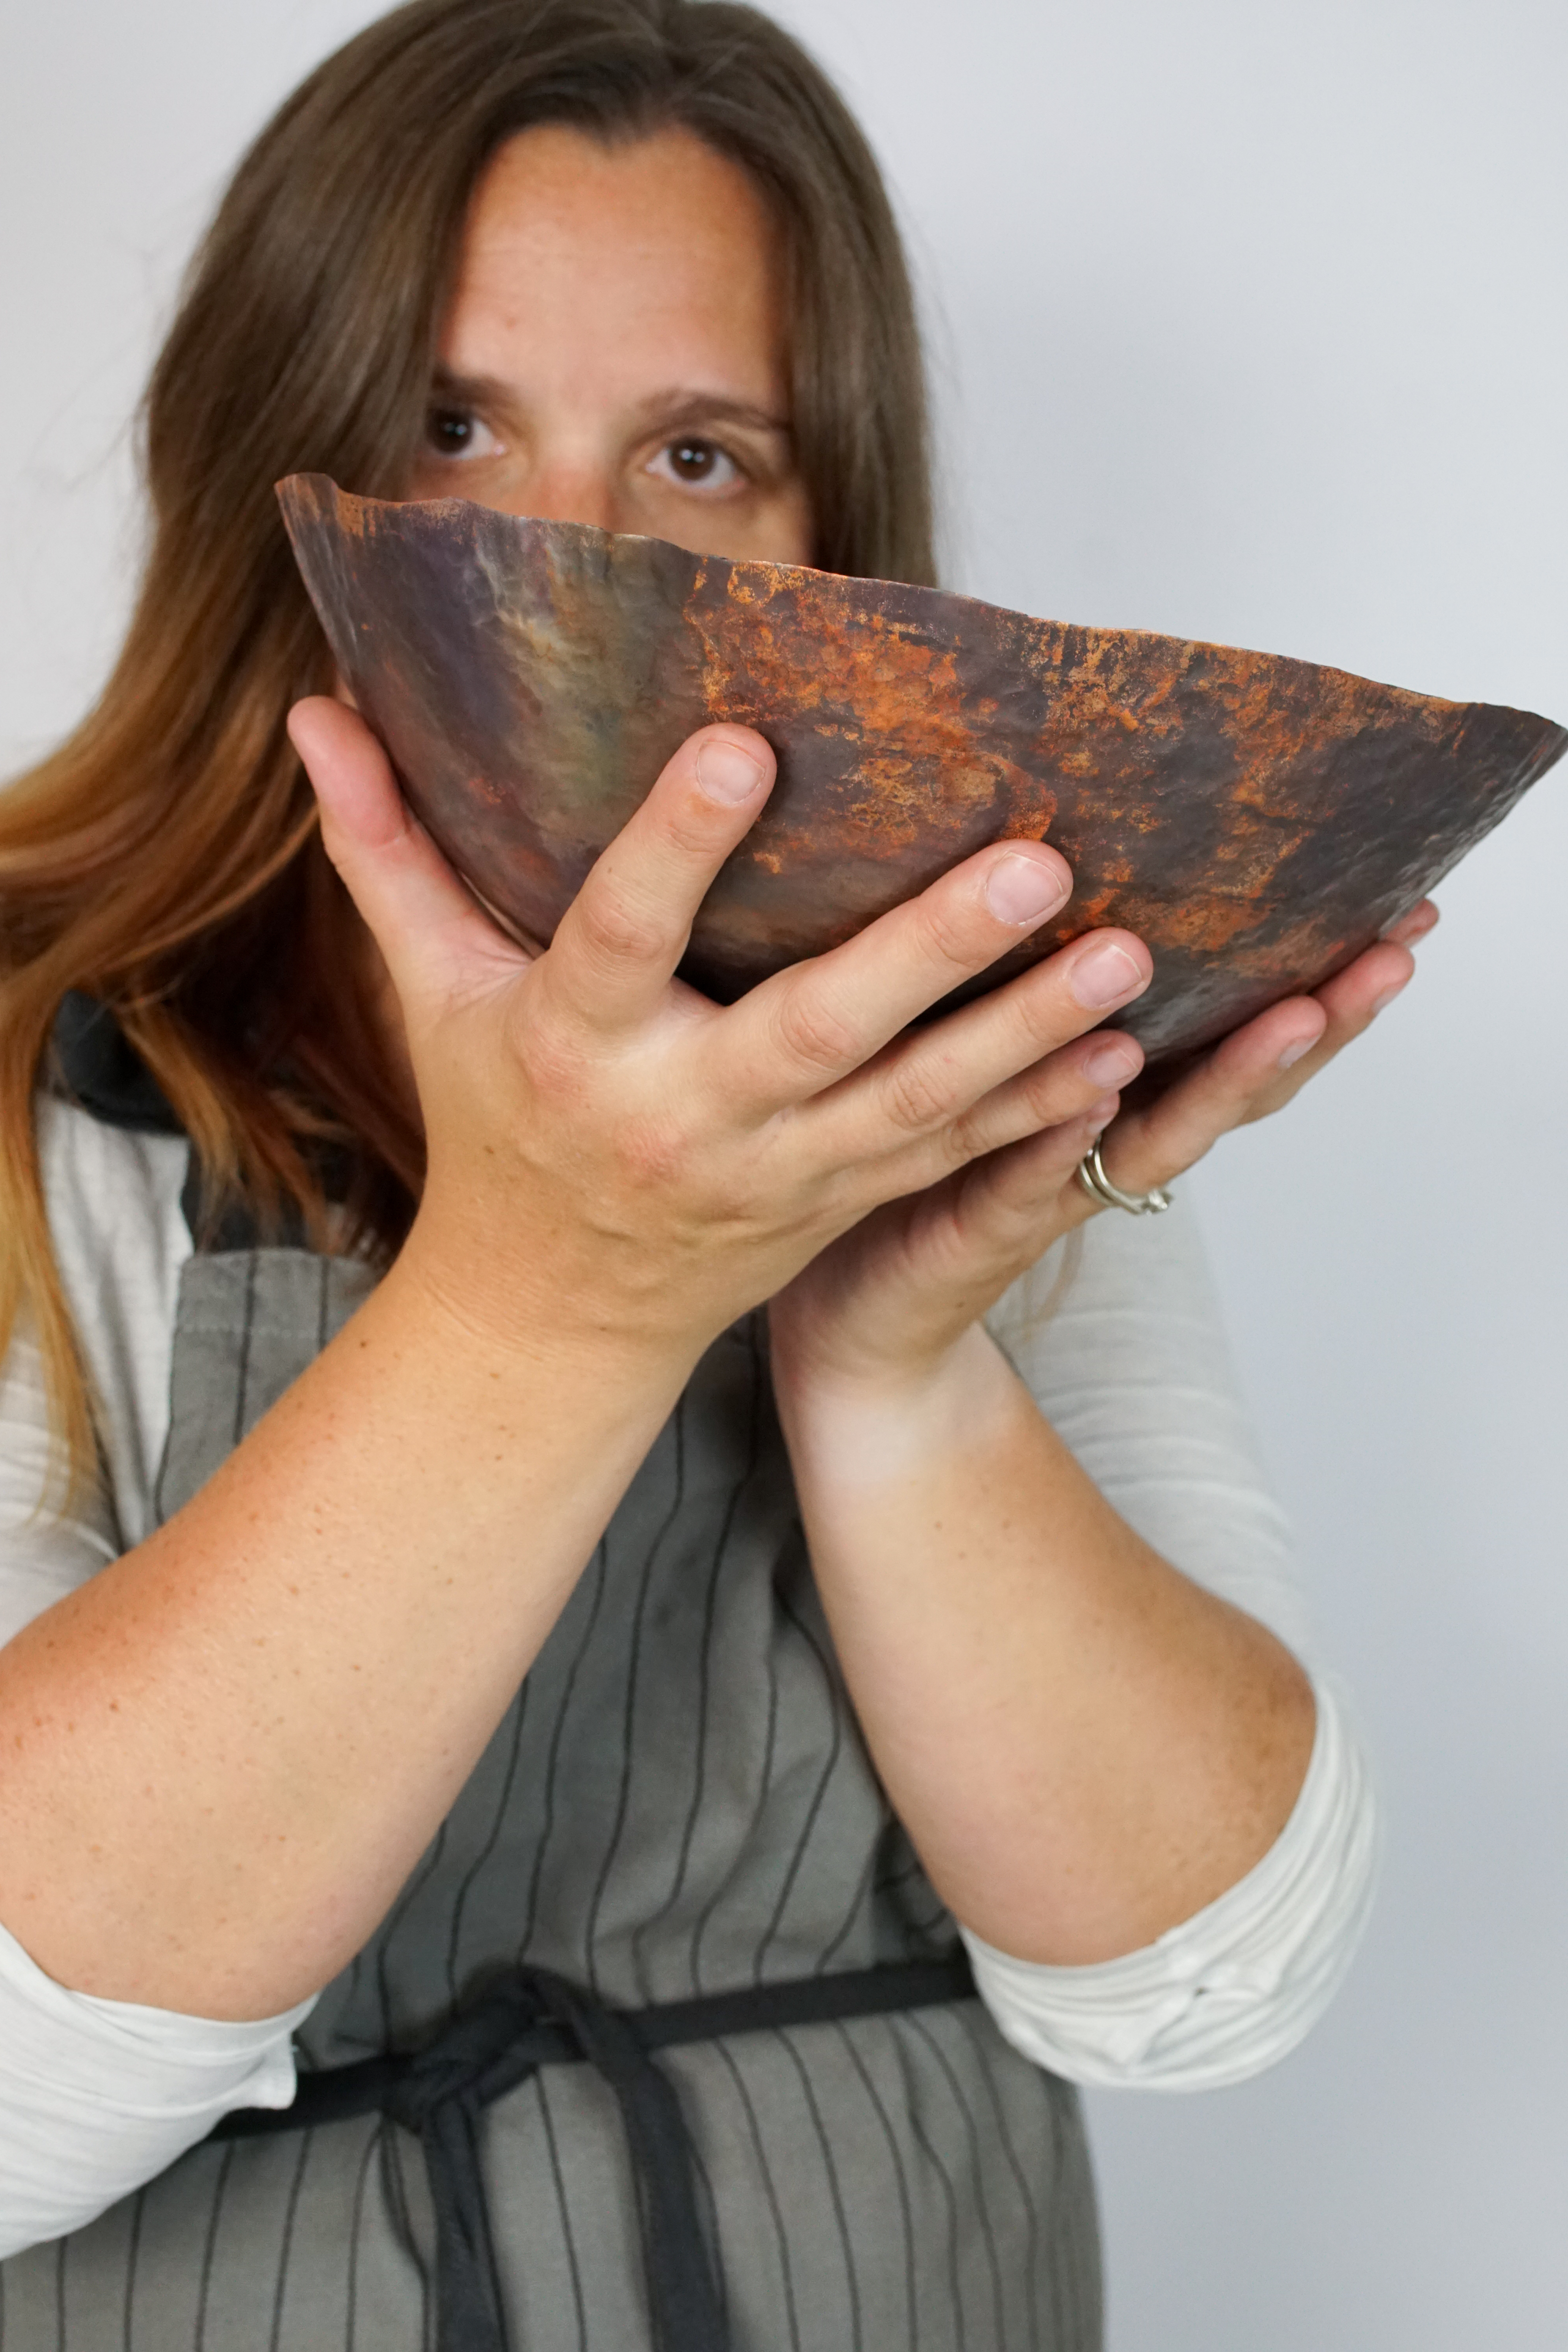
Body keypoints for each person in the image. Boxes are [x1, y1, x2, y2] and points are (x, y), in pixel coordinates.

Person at [0, 1, 1431, 2344]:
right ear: (265, 452)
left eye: (697, 455)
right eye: (447, 427)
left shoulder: (968, 1068)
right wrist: (552, 1292)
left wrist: (891, 1351)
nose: (568, 560)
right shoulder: (24, 1054)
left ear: (832, 547)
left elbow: (1204, 1983)